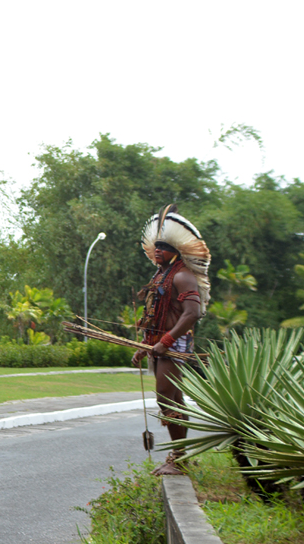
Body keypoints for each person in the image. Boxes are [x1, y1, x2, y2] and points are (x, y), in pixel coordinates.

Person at [131, 204, 210, 476]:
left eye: (163, 247)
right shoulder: (159, 275)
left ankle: (179, 458)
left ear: (176, 251)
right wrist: (145, 347)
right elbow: (153, 314)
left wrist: (165, 341)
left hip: (174, 346)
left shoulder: (184, 275)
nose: (158, 251)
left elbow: (191, 314)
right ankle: (181, 457)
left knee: (167, 399)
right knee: (173, 399)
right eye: (156, 246)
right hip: (159, 346)